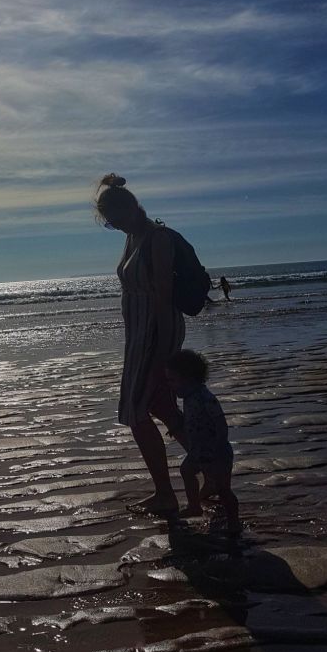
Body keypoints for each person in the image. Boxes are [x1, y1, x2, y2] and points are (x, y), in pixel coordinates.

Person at [94, 173, 186, 515]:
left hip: (155, 335)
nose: (115, 226)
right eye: (109, 223)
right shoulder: (132, 237)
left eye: (115, 219)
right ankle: (212, 470)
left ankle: (166, 494)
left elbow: (163, 296)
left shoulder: (156, 238)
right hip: (137, 337)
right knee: (160, 405)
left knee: (135, 410)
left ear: (132, 209)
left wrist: (163, 353)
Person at [165, 349, 240, 534]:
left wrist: (219, 447)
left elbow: (220, 422)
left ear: (189, 379)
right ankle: (194, 506)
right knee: (186, 470)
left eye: (172, 380)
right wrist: (177, 427)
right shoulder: (190, 397)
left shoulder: (205, 397)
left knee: (224, 490)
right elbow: (194, 419)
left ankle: (234, 521)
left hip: (217, 452)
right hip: (199, 451)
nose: (170, 385)